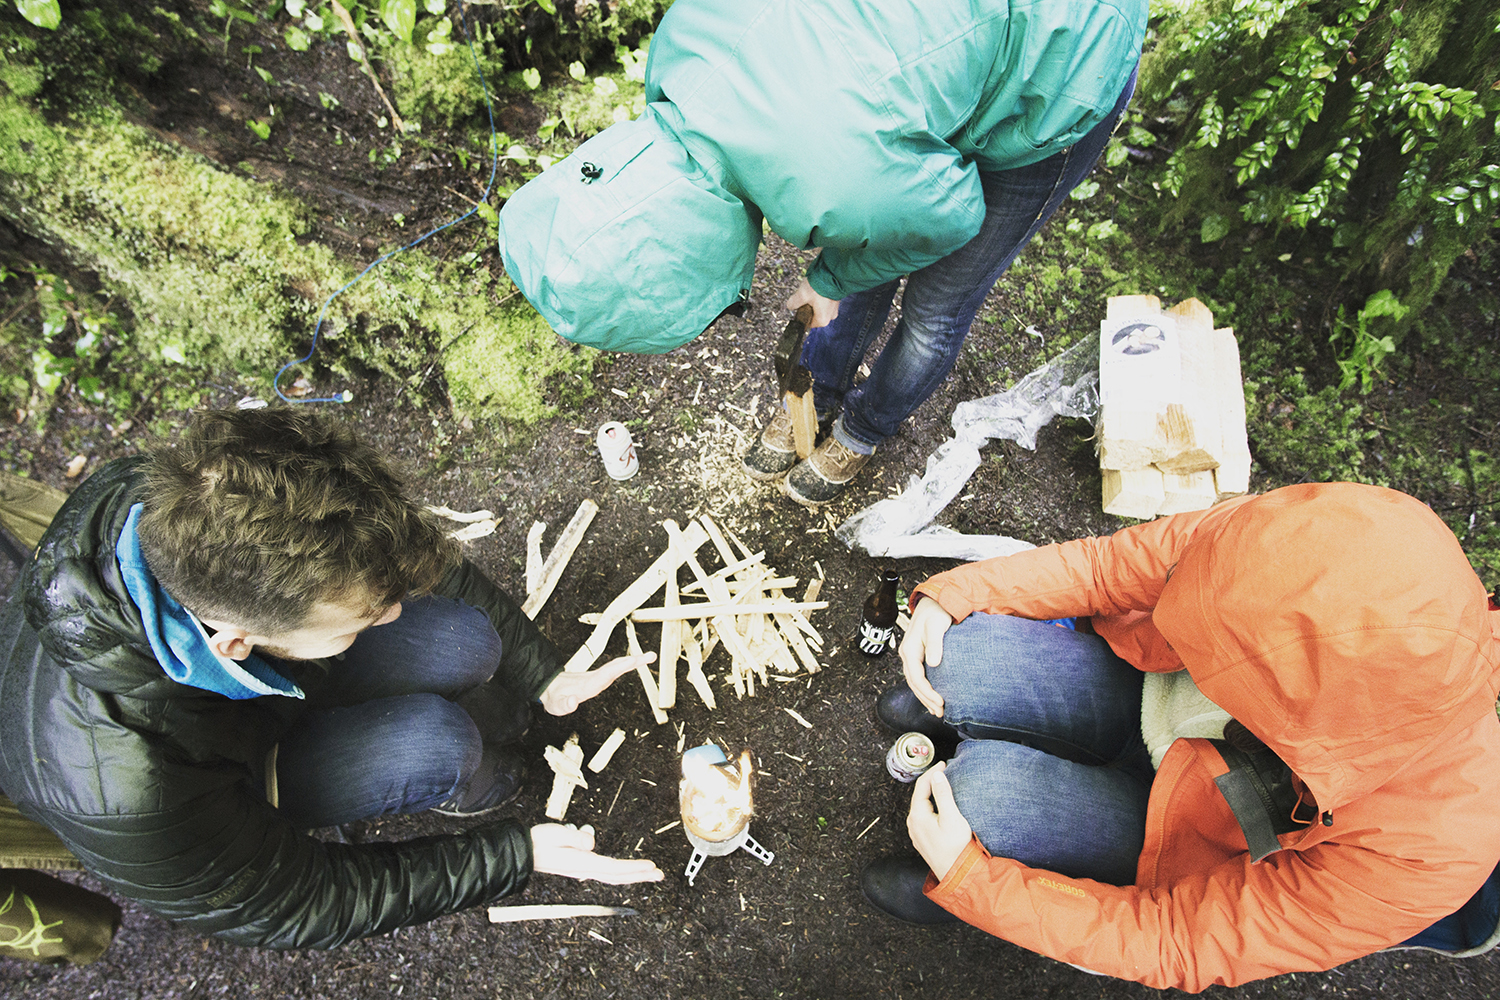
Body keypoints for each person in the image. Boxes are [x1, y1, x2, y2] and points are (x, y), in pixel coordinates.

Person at [0, 408, 662, 950]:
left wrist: (542, 671)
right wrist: (515, 856)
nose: (395, 613)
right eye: (363, 617)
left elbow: (397, 555)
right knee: (439, 743)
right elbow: (300, 902)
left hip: (236, 698)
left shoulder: (187, 491)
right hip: (221, 771)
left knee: (463, 636)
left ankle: (478, 726)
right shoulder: (132, 799)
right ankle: (465, 778)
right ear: (238, 642)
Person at [497, 0, 1146, 506]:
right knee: (865, 234)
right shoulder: (682, 47)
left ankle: (862, 432)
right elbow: (864, 194)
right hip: (907, 72)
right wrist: (837, 271)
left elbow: (950, 217)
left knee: (934, 306)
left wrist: (829, 279)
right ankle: (812, 407)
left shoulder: (839, 182)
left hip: (1064, 50)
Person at [862, 482, 1500, 991]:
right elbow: (1117, 566)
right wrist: (958, 592)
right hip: (1147, 691)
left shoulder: (1438, 844)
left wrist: (977, 885)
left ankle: (955, 873)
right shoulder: (1329, 544)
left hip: (1181, 838)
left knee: (983, 799)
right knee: (961, 656)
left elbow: (1182, 940)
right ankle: (968, 718)